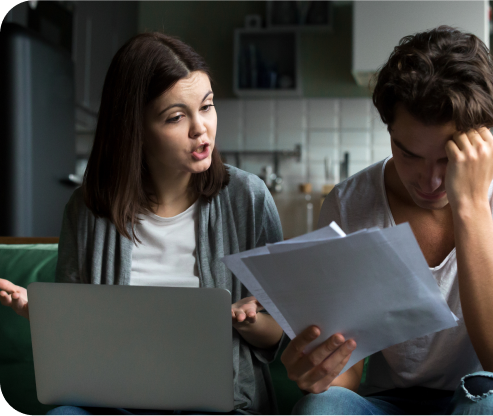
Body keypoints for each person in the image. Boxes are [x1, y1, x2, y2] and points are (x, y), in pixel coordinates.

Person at [281, 26, 493, 415]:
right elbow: (346, 379)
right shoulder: (350, 203)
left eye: (449, 158)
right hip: (393, 403)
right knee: (322, 407)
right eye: (409, 155)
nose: (431, 181)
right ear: (390, 134)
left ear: (492, 137)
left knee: (492, 404)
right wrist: (317, 370)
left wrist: (470, 203)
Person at [0, 32, 284, 416]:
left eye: (207, 107)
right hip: (110, 404)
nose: (201, 128)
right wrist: (45, 314)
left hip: (218, 406)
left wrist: (247, 320)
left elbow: (278, 332)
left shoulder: (247, 198)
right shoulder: (86, 210)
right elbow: (77, 345)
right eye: (176, 116)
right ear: (134, 128)